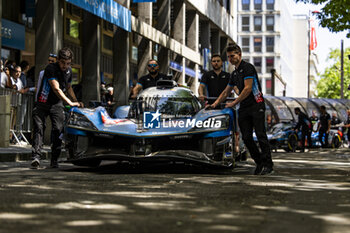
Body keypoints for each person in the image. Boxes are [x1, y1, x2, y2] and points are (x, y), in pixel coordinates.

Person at [209, 43, 273, 175]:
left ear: (239, 55)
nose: (231, 59)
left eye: (233, 56)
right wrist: (214, 104)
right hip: (244, 107)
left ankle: (268, 165)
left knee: (261, 135)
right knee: (247, 138)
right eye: (228, 57)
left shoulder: (248, 68)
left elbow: (248, 88)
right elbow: (226, 92)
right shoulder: (234, 74)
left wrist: (234, 103)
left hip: (256, 104)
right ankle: (259, 162)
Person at [31, 48, 83, 169]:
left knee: (58, 129)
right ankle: (36, 157)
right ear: (58, 60)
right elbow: (56, 88)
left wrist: (76, 101)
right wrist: (69, 102)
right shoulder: (51, 69)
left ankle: (54, 160)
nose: (65, 66)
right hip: (42, 102)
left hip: (57, 104)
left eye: (68, 63)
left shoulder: (69, 71)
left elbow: (68, 87)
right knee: (39, 127)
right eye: (63, 63)